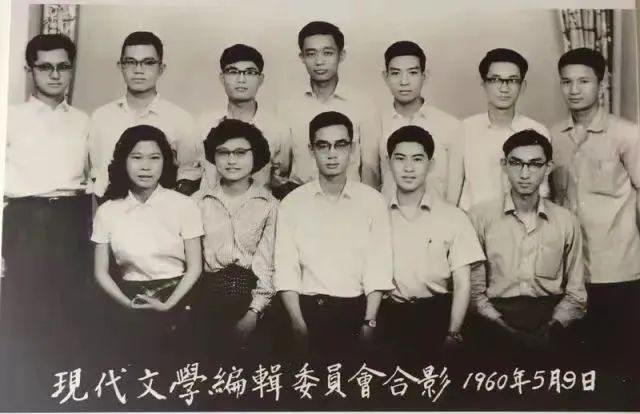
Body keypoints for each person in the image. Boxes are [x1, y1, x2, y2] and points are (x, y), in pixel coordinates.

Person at [0, 33, 91, 408]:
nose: (55, 74)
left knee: (68, 310)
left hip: (71, 218)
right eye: (45, 67)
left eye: (63, 67)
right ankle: (22, 399)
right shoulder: (10, 118)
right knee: (22, 310)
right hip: (25, 219)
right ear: (30, 70)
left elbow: (95, 178)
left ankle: (62, 398)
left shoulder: (84, 121)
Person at [274, 111, 393, 365]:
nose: (332, 153)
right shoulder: (292, 203)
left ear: (352, 148)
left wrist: (369, 322)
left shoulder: (372, 202)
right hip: (306, 311)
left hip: (358, 312)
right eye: (323, 145)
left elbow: (378, 267)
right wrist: (297, 324)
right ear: (311, 150)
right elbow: (286, 269)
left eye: (340, 145)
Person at [549, 48, 640, 378]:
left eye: (584, 81)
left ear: (603, 84)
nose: (574, 90)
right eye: (566, 82)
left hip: (618, 271)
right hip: (569, 274)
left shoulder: (628, 134)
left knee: (621, 367)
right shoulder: (552, 137)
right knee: (578, 368)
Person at [468, 130, 586, 368]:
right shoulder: (479, 217)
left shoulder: (566, 221)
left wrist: (551, 329)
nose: (524, 174)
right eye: (516, 163)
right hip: (495, 324)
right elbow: (474, 292)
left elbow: (576, 294)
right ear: (504, 165)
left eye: (534, 164)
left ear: (548, 167)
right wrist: (503, 329)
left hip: (550, 324)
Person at [91, 125, 203, 369]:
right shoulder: (107, 211)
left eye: (154, 158)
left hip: (179, 298)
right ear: (123, 161)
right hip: (127, 299)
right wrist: (129, 305)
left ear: (165, 162)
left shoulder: (184, 205)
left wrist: (168, 305)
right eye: (137, 157)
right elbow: (100, 272)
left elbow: (195, 267)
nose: (146, 166)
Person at [380, 125, 485, 368]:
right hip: (389, 316)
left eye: (418, 159)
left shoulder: (453, 217)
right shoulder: (375, 214)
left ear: (431, 164)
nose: (408, 168)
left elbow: (463, 284)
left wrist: (453, 333)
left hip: (436, 315)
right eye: (400, 159)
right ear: (388, 163)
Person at [191, 119, 278, 365]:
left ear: (255, 155)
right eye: (223, 153)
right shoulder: (197, 202)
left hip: (252, 300)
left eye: (240, 153)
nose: (231, 160)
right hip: (205, 299)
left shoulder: (270, 206)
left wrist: (254, 312)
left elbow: (268, 265)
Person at [88, 31, 201, 200]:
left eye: (148, 63)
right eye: (130, 62)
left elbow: (190, 175)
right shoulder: (101, 117)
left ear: (161, 68)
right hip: (110, 208)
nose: (138, 70)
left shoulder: (180, 119)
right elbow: (96, 175)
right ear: (121, 66)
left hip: (163, 211)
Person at [278, 21, 379, 196]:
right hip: (301, 199)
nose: (319, 61)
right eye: (311, 54)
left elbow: (370, 169)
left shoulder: (363, 106)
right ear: (302, 57)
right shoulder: (286, 107)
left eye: (328, 53)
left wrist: (365, 204)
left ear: (341, 55)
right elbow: (281, 168)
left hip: (350, 199)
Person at [460, 48, 550, 211]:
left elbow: (542, 191)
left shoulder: (538, 130)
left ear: (522, 86)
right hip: (470, 222)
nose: (504, 88)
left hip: (520, 222)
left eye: (512, 80)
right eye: (495, 80)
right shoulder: (464, 129)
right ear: (484, 84)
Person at [197, 44, 291, 197]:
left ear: (260, 79)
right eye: (233, 72)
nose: (241, 79)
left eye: (250, 72)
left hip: (258, 208)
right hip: (208, 207)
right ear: (222, 78)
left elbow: (280, 181)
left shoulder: (278, 129)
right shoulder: (203, 123)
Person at [379, 41, 464, 204]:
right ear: (386, 77)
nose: (404, 81)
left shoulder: (450, 126)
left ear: (424, 76)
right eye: (396, 73)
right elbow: (372, 182)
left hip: (438, 215)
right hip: (389, 215)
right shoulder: (377, 123)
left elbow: (455, 186)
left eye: (412, 72)